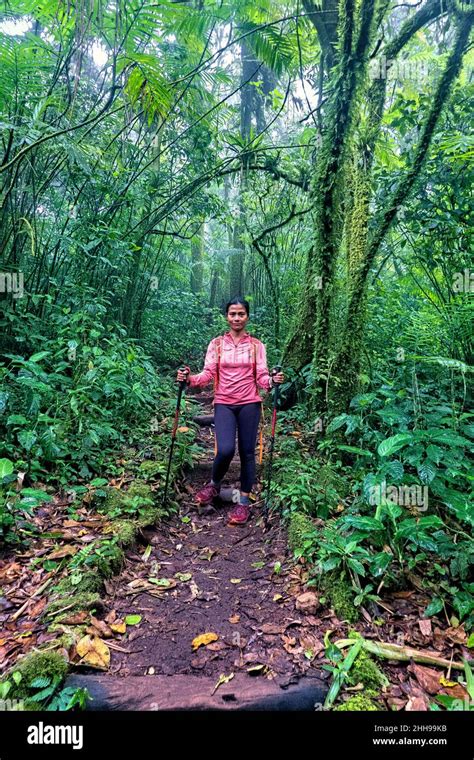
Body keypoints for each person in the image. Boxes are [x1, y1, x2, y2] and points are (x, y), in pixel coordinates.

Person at [176, 297, 284, 525]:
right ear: (227, 316)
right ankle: (214, 485)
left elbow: (262, 377)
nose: (236, 318)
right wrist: (189, 379)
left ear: (247, 317)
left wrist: (273, 381)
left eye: (241, 314)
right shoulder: (216, 344)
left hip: (249, 403)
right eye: (232, 314)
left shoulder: (257, 346)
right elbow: (207, 375)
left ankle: (243, 503)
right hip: (223, 402)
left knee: (247, 452)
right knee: (225, 449)